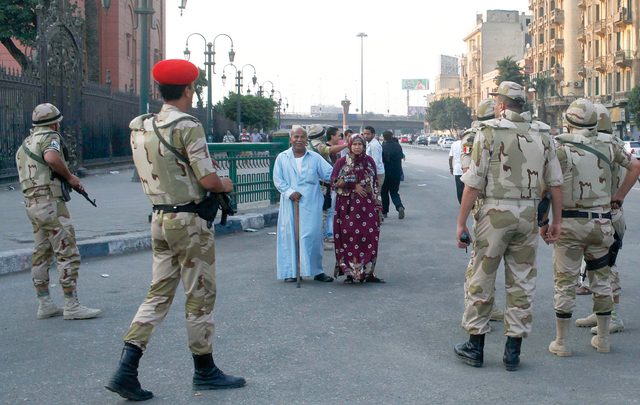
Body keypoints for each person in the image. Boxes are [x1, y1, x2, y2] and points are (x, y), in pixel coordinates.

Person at [105, 59, 245, 401]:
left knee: (158, 294)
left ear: (158, 90)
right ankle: (205, 370)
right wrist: (226, 184)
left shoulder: (141, 126)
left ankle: (126, 370)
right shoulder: (187, 126)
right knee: (200, 296)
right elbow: (208, 179)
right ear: (188, 90)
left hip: (160, 218)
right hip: (189, 223)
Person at [454, 81, 564, 371]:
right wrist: (556, 221)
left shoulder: (488, 131)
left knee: (482, 276)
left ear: (501, 105)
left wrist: (461, 221)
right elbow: (555, 182)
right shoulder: (543, 133)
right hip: (527, 214)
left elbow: (474, 182)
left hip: (494, 213)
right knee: (522, 280)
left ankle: (474, 347)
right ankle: (513, 351)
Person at [545, 99, 640, 357]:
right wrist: (618, 197)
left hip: (569, 225)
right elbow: (635, 166)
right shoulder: (610, 145)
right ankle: (603, 339)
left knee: (565, 282)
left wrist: (546, 221)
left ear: (568, 122)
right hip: (601, 224)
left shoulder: (559, 147)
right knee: (602, 280)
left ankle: (562, 343)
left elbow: (547, 186)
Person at [15, 103, 102, 321]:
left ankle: (44, 304)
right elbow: (52, 158)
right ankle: (71, 305)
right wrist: (71, 177)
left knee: (42, 252)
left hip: (32, 205)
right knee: (67, 252)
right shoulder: (50, 138)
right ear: (54, 123)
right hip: (50, 203)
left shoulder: (25, 143)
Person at [575, 103, 626, 334]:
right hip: (610, 214)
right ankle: (601, 312)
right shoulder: (614, 145)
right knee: (597, 267)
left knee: (607, 267)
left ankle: (613, 316)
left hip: (607, 214)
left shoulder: (606, 146)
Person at [459, 98, 504, 327]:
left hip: (496, 203)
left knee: (489, 259)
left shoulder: (496, 132)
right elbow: (469, 172)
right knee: (479, 260)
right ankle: (472, 307)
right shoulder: (472, 136)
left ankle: (489, 305)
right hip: (483, 202)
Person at [273, 127, 335, 283]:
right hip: (290, 204)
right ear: (291, 139)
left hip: (311, 204)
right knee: (290, 237)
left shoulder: (314, 158)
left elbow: (330, 174)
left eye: (302, 137)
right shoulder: (282, 158)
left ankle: (317, 271)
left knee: (313, 236)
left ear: (306, 140)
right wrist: (289, 192)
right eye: (296, 137)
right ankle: (292, 272)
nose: (299, 140)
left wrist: (343, 177)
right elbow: (278, 180)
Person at [331, 133, 384, 283]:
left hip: (367, 208)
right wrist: (353, 186)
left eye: (360, 144)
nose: (357, 147)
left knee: (368, 237)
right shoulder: (342, 162)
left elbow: (375, 184)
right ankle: (350, 273)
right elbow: (334, 183)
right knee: (348, 238)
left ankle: (366, 272)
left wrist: (378, 205)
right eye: (354, 144)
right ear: (349, 145)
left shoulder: (370, 162)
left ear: (364, 146)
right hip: (347, 208)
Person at [307, 124, 349, 249]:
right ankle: (320, 241)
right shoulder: (317, 145)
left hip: (313, 183)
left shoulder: (307, 145)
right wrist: (347, 144)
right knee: (324, 213)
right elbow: (329, 150)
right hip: (322, 185)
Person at [381, 130, 405, 219]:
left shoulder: (383, 146)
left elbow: (382, 160)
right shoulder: (398, 146)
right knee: (394, 192)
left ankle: (384, 212)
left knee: (384, 193)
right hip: (397, 173)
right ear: (391, 137)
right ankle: (399, 207)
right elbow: (401, 156)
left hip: (386, 173)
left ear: (383, 138)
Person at [449, 133, 464, 204]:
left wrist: (451, 168)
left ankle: (461, 202)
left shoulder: (454, 145)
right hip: (467, 168)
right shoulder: (468, 144)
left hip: (457, 169)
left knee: (459, 188)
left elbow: (450, 158)